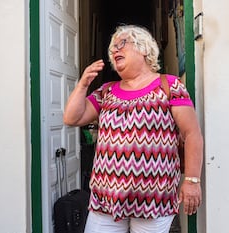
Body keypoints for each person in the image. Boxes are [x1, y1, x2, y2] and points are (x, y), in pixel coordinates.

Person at [63, 24, 203, 233]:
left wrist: (192, 181)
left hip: (154, 199)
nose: (115, 50)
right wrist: (83, 84)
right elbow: (72, 118)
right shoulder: (106, 91)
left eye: (122, 44)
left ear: (144, 49)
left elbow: (192, 134)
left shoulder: (169, 86)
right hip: (106, 200)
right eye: (112, 49)